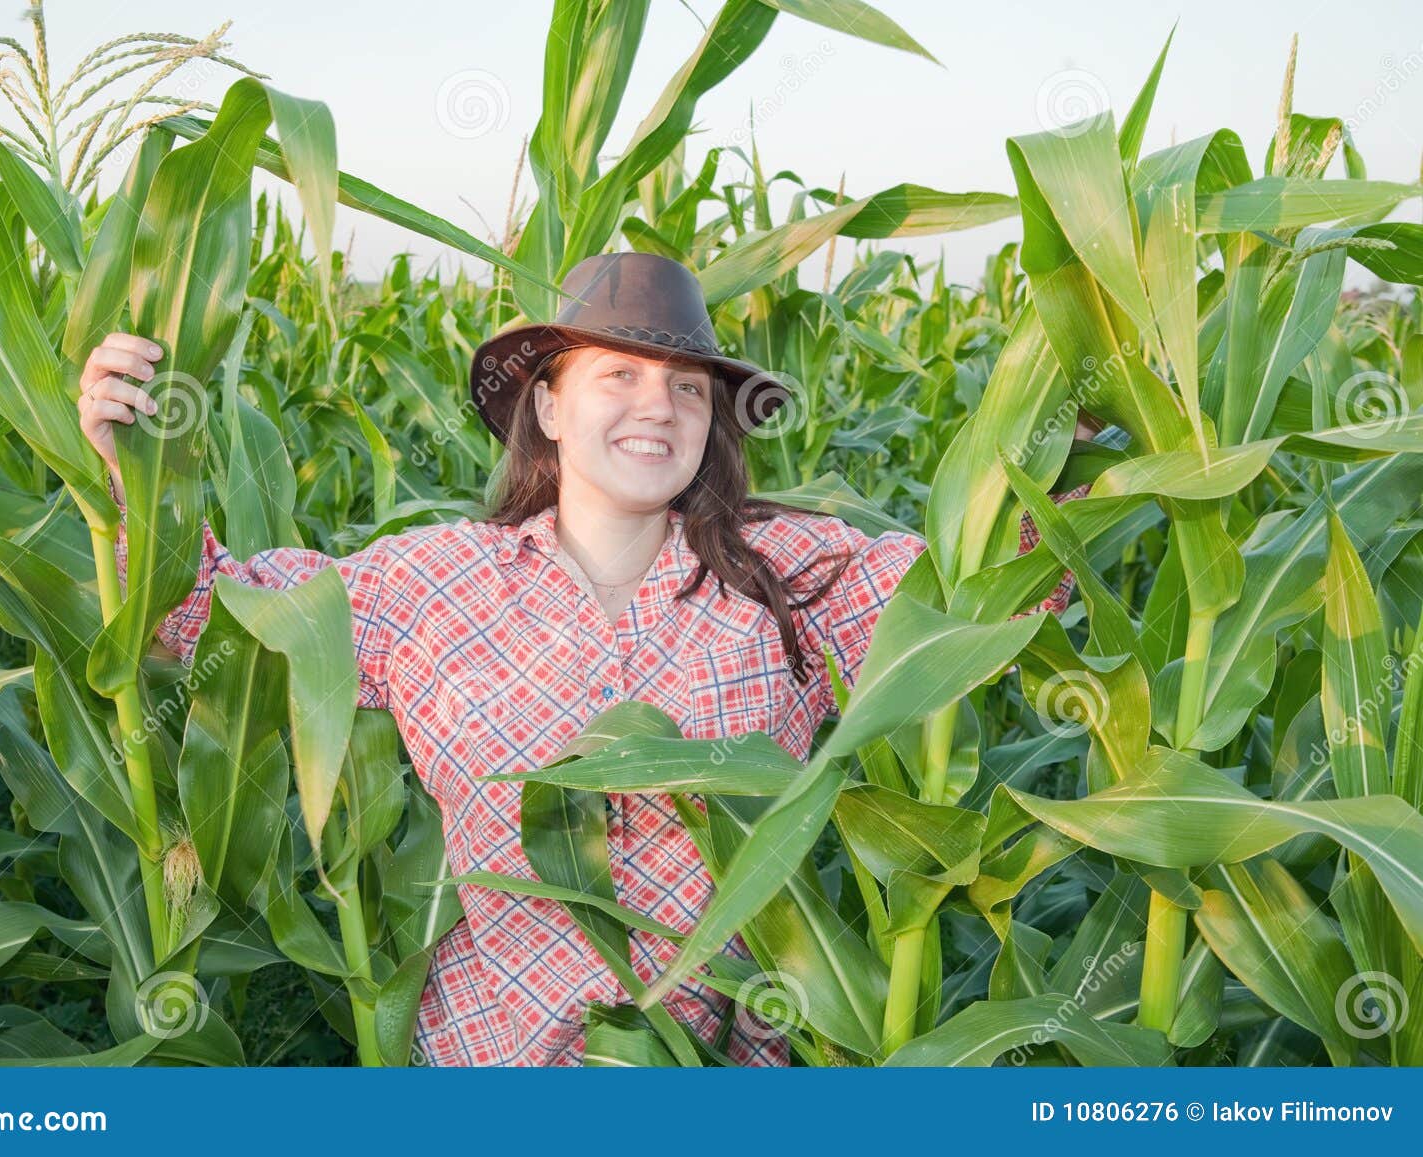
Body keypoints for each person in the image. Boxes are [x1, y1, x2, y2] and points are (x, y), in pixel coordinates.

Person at [77, 251, 1094, 1067]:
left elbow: (982, 590)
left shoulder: (789, 572)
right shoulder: (435, 581)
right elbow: (206, 606)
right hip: (491, 1061)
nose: (657, 406)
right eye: (619, 375)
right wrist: (133, 458)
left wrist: (1068, 435)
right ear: (551, 408)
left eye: (687, 388)